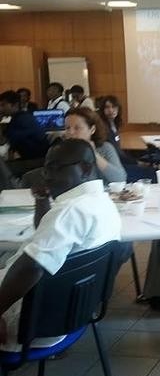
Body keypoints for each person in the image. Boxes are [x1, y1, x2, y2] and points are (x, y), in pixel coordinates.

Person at [0, 139, 121, 356]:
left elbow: (31, 268)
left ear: (85, 169)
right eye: (45, 169)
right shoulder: (103, 203)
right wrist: (42, 198)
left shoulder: (71, 211)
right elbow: (46, 233)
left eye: (55, 168)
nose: (47, 176)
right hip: (70, 315)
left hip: (33, 323)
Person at [64, 108, 127, 183]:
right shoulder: (60, 150)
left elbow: (120, 179)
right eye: (67, 128)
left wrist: (94, 154)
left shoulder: (105, 148)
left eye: (77, 128)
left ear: (92, 129)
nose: (71, 132)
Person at [0, 90, 49, 176]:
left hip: (37, 162)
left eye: (3, 105)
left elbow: (3, 141)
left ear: (15, 105)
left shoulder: (22, 120)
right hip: (34, 159)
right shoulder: (21, 117)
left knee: (2, 170)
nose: (0, 108)